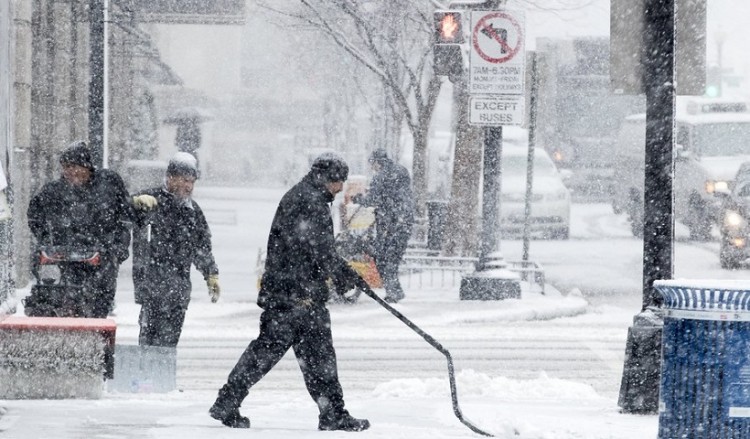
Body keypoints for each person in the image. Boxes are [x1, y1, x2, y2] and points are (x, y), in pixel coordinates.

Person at [209, 152, 370, 432]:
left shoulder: (305, 195)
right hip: (296, 294)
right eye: (338, 181)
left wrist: (342, 275)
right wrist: (346, 276)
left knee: (308, 354)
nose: (341, 188)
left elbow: (314, 249)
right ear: (325, 178)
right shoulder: (311, 201)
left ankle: (331, 412)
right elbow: (320, 250)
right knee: (283, 352)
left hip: (293, 292)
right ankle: (229, 401)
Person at [27, 140, 139, 318]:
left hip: (103, 260)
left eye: (75, 166)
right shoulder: (53, 191)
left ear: (87, 166)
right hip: (65, 259)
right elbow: (34, 214)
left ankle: (96, 336)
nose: (70, 172)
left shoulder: (109, 183)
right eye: (66, 167)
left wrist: (119, 247)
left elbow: (125, 216)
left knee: (98, 305)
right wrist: (46, 239)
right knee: (61, 303)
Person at [130, 152, 220, 347]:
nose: (188, 186)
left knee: (168, 348)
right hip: (151, 290)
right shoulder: (149, 201)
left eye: (192, 182)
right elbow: (117, 214)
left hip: (178, 293)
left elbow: (201, 247)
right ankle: (149, 377)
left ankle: (161, 376)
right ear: (170, 178)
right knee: (148, 345)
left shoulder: (192, 212)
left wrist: (211, 274)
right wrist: (133, 204)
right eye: (184, 180)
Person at [352, 149, 414, 303]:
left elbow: (373, 199)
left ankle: (394, 292)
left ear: (376, 162)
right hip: (404, 222)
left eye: (372, 164)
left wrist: (359, 199)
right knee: (392, 257)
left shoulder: (381, 176)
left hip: (390, 223)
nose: (372, 168)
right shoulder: (401, 170)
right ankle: (395, 291)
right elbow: (398, 195)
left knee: (384, 258)